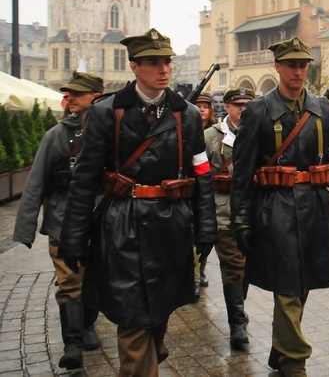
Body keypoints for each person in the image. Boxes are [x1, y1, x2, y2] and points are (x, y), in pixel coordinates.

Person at [59, 28, 218, 377]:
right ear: (134, 66)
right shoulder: (107, 112)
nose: (164, 69)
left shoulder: (187, 114)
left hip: (170, 226)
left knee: (157, 316)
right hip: (122, 227)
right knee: (132, 319)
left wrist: (205, 227)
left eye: (167, 62)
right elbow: (84, 180)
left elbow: (202, 173)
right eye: (153, 63)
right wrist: (73, 237)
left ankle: (150, 350)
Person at [230, 36, 329, 376]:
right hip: (274, 209)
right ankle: (295, 361)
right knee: (288, 287)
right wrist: (242, 220)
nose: (298, 71)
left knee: (303, 285)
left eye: (303, 65)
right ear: (277, 67)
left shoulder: (323, 108)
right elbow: (242, 171)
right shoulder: (258, 111)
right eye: (291, 65)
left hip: (317, 209)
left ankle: (280, 350)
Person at [13, 71, 105, 370]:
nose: (71, 97)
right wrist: (24, 230)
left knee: (94, 280)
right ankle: (73, 346)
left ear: (96, 96)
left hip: (102, 218)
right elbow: (36, 182)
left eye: (78, 92)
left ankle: (87, 325)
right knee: (70, 284)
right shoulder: (56, 135)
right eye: (69, 93)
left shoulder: (111, 131)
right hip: (63, 222)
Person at [204, 86, 255, 348]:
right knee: (234, 266)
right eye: (238, 105)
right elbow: (200, 178)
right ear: (228, 107)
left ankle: (239, 312)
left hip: (254, 214)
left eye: (248, 105)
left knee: (245, 268)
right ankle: (237, 323)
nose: (243, 110)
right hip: (223, 213)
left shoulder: (260, 134)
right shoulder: (211, 137)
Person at [193, 90, 216, 296]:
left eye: (205, 106)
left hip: (210, 189)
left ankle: (200, 269)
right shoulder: (187, 127)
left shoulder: (215, 133)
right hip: (193, 188)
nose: (201, 109)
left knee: (206, 232)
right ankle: (193, 273)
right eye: (198, 106)